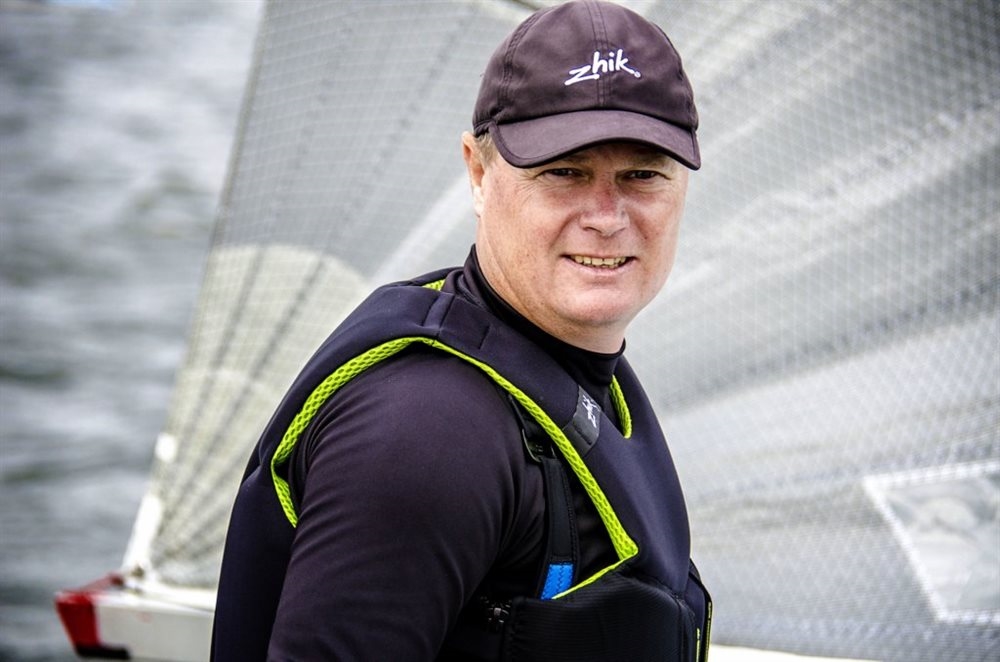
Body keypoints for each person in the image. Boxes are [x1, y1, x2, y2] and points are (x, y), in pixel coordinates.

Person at [212, 1, 710, 660]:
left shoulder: (582, 376)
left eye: (642, 175)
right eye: (563, 172)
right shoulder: (427, 434)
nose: (606, 216)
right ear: (478, 173)